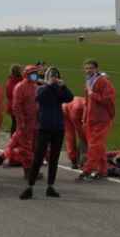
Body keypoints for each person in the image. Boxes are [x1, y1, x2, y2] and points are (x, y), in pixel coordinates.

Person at [22, 67, 74, 199]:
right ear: (47, 77)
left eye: (55, 75)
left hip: (58, 128)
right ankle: (30, 186)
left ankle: (50, 186)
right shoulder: (41, 88)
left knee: (54, 159)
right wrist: (49, 85)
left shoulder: (59, 90)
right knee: (38, 158)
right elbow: (39, 98)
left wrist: (64, 86)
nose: (53, 77)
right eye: (51, 75)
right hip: (44, 128)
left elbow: (70, 98)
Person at [81, 59, 116, 180]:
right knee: (98, 145)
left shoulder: (103, 82)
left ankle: (87, 170)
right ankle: (102, 170)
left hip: (102, 118)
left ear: (96, 69)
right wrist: (84, 117)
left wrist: (92, 94)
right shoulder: (88, 81)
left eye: (90, 68)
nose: (88, 70)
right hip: (91, 118)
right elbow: (87, 101)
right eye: (86, 68)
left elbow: (108, 99)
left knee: (95, 145)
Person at [2, 65, 39, 167]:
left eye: (36, 73)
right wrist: (21, 121)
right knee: (26, 144)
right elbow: (16, 106)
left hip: (32, 120)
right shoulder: (20, 87)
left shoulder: (35, 87)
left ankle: (5, 156)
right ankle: (28, 169)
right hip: (24, 121)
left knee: (16, 140)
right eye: (33, 74)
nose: (35, 76)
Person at [63, 93, 88, 169]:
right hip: (70, 110)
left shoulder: (86, 103)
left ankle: (75, 159)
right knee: (75, 135)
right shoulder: (80, 108)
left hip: (68, 107)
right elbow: (81, 132)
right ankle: (78, 160)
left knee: (71, 135)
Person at [4, 66, 24, 132]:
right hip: (17, 106)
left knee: (14, 123)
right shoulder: (20, 81)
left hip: (11, 105)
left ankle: (13, 138)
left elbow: (8, 94)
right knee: (17, 124)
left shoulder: (9, 81)